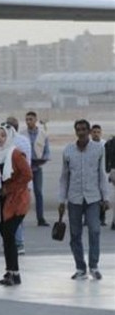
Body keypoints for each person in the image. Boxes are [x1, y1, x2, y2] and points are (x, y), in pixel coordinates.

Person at [58, 119, 109, 281]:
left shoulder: (98, 149)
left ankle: (93, 266)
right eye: (78, 129)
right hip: (74, 199)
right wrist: (61, 200)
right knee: (75, 234)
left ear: (88, 131)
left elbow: (102, 175)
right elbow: (64, 178)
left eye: (83, 129)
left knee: (94, 230)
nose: (80, 132)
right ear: (75, 132)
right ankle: (80, 267)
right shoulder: (68, 151)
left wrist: (105, 197)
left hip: (93, 198)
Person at [0, 124, 33, 286]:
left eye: (3, 135)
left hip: (17, 200)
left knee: (9, 235)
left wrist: (9, 188)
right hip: (3, 201)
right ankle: (10, 271)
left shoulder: (15, 154)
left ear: (9, 137)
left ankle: (15, 272)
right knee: (6, 237)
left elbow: (27, 174)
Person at [25, 111, 50, 227]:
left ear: (35, 120)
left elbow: (46, 151)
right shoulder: (22, 134)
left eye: (30, 119)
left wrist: (43, 159)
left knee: (38, 192)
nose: (28, 121)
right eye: (27, 119)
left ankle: (40, 218)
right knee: (24, 193)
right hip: (25, 169)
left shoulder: (43, 134)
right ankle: (21, 216)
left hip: (37, 168)